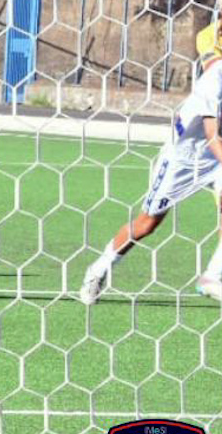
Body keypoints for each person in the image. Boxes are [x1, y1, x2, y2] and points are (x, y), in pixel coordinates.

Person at [80, 58, 222, 305]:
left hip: (215, 160)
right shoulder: (214, 78)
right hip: (183, 159)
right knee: (147, 224)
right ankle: (97, 271)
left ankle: (212, 276)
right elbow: (212, 135)